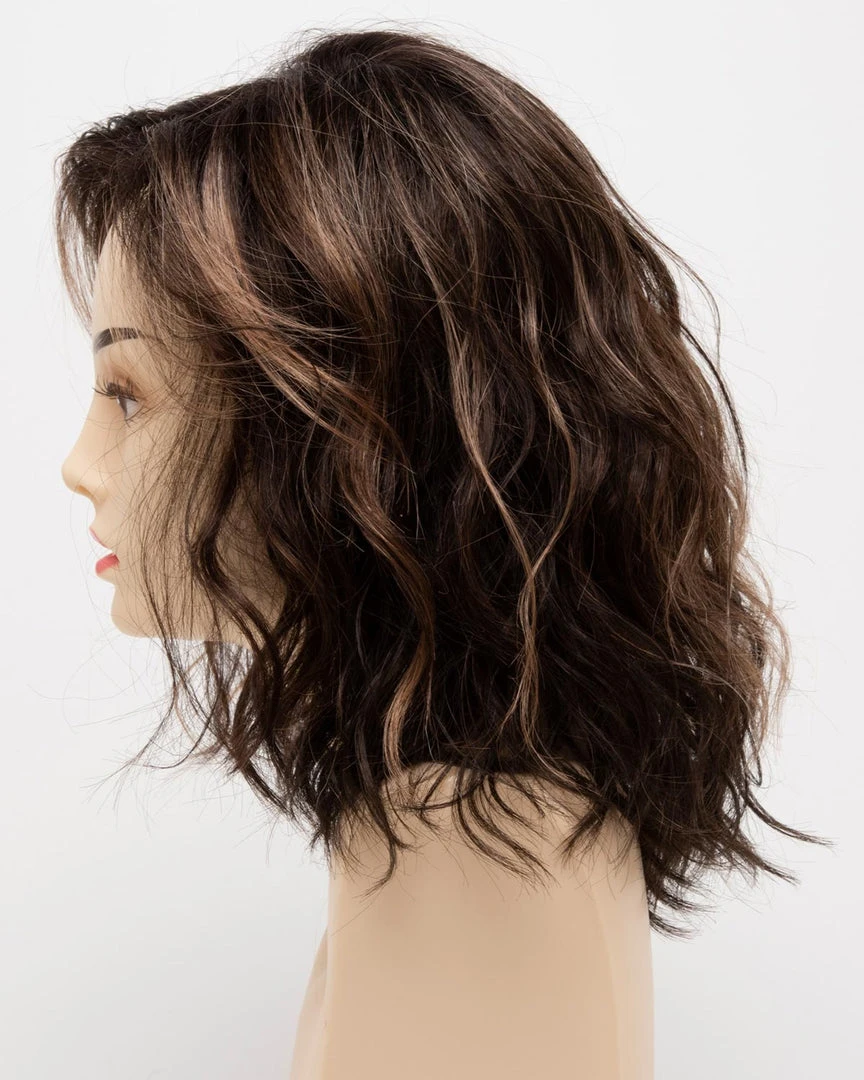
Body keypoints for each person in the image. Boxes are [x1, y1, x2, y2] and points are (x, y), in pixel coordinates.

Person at [57, 26, 830, 1080]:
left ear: (347, 429)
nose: (80, 465)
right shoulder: (487, 813)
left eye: (128, 395)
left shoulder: (457, 854)